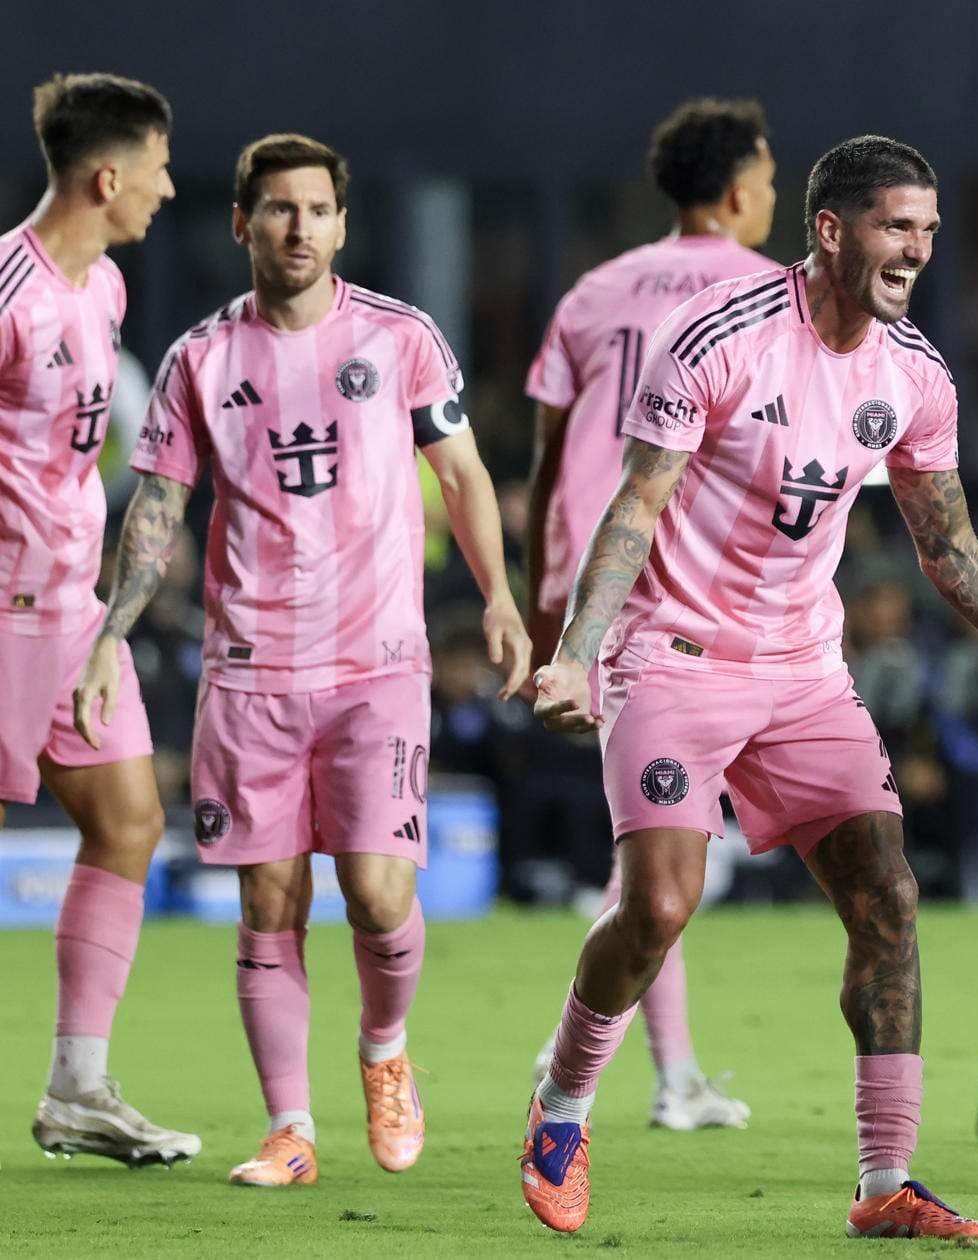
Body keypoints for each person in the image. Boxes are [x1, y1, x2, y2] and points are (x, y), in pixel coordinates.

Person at [518, 134, 978, 1241]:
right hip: (675, 660)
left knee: (889, 897)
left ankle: (884, 1184)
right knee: (661, 907)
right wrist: (578, 651)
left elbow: (954, 552)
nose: (916, 249)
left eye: (927, 229)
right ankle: (563, 1104)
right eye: (894, 226)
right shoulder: (723, 341)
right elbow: (634, 507)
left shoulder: (914, 374)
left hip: (802, 674)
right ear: (830, 231)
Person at [80, 132, 532, 1187]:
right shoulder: (201, 359)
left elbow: (461, 476)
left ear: (342, 223)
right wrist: (111, 631)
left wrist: (502, 598)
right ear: (242, 224)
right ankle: (291, 1129)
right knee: (269, 904)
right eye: (278, 209)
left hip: (377, 664)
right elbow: (156, 509)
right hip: (249, 676)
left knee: (377, 893)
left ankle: (384, 1053)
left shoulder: (400, 337)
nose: (299, 227)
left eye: (317, 209)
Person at [524, 96, 779, 1133]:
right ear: (736, 192)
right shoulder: (774, 296)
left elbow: (548, 455)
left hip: (594, 586)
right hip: (696, 591)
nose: (772, 198)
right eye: (768, 183)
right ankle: (591, 1062)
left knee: (668, 845)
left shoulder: (596, 290)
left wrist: (549, 589)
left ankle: (672, 1077)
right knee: (673, 858)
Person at [3, 71, 196, 1170]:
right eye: (160, 168)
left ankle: (78, 1087)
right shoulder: (8, 290)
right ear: (107, 175)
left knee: (128, 822)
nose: (168, 189)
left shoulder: (105, 292)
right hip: (0, 616)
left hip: (75, 616)